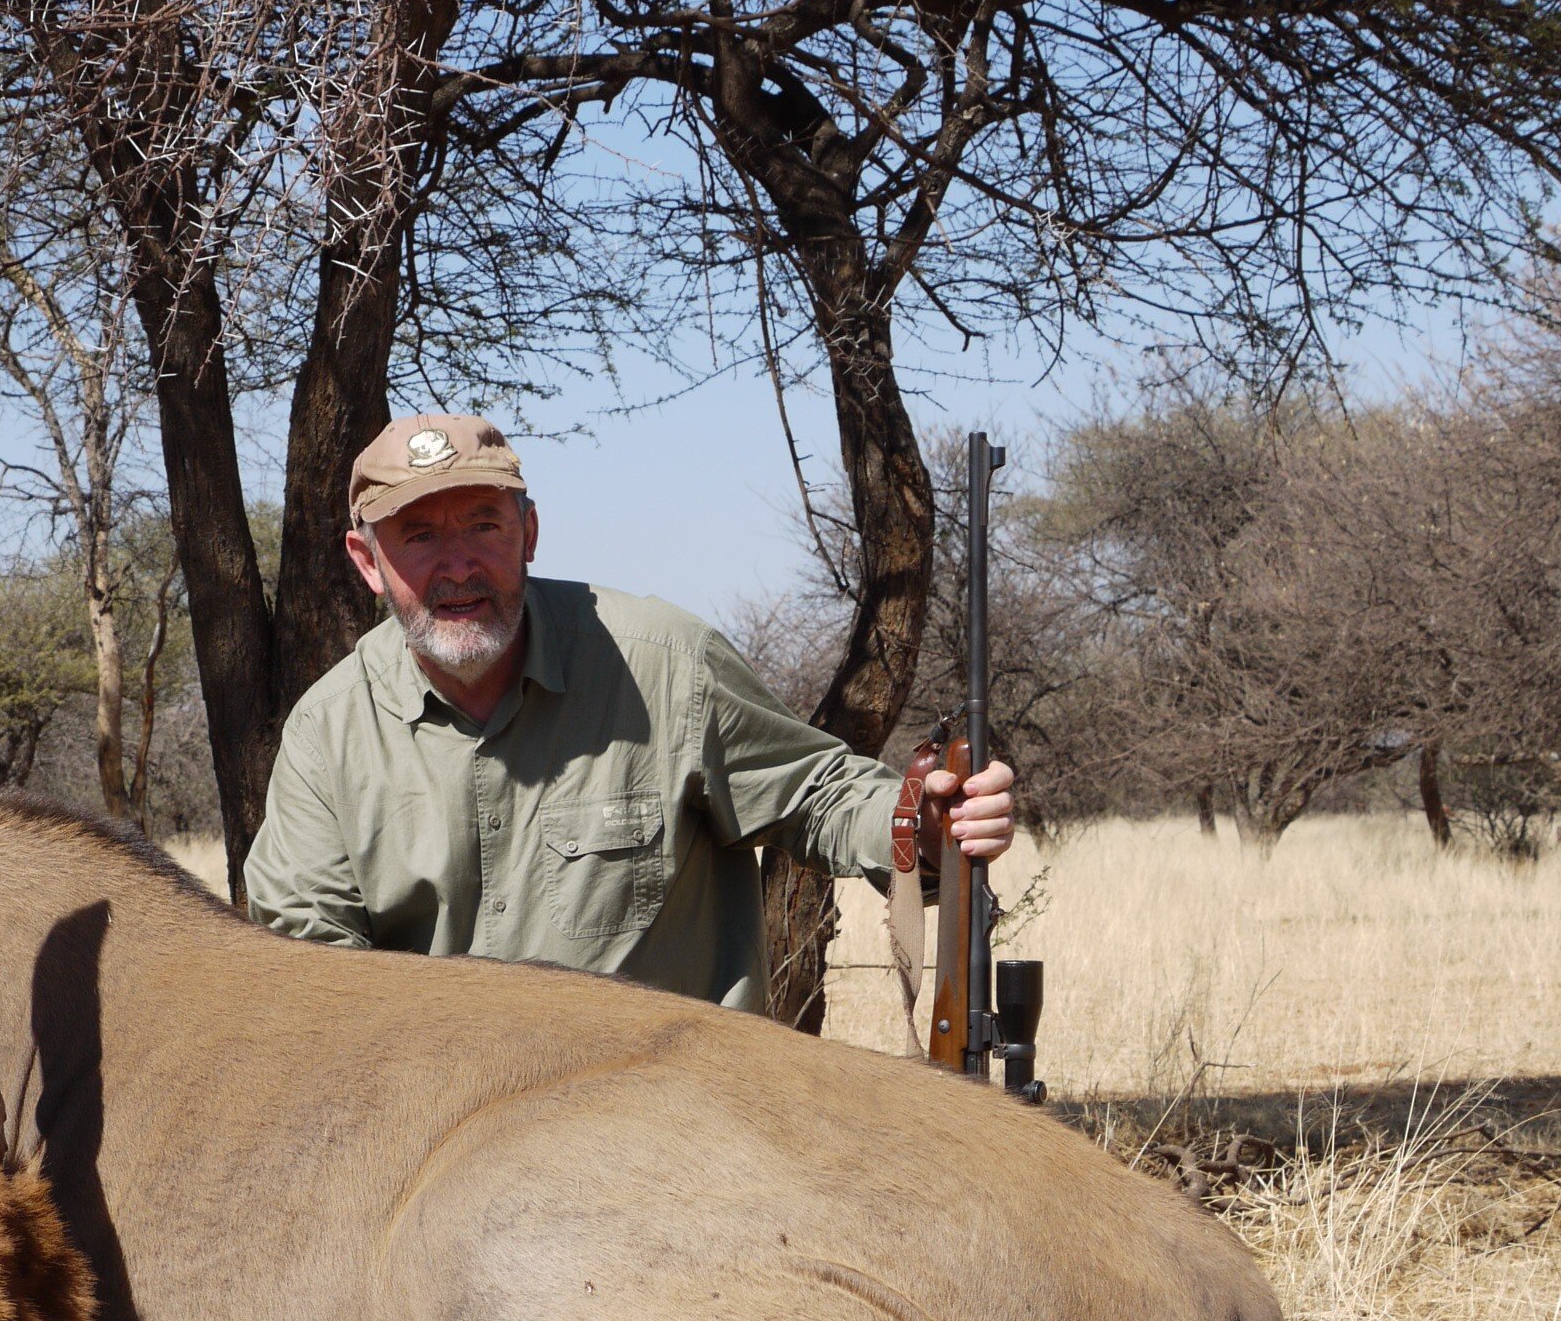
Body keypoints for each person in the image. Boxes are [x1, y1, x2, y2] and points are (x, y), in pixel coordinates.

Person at [243, 413, 1017, 1010]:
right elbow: (310, 982)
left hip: (670, 1131)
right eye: (418, 536)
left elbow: (819, 792)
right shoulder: (325, 736)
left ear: (530, 533)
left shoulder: (666, 662)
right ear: (365, 560)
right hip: (446, 1146)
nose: (458, 565)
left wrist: (925, 822)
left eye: (484, 523)